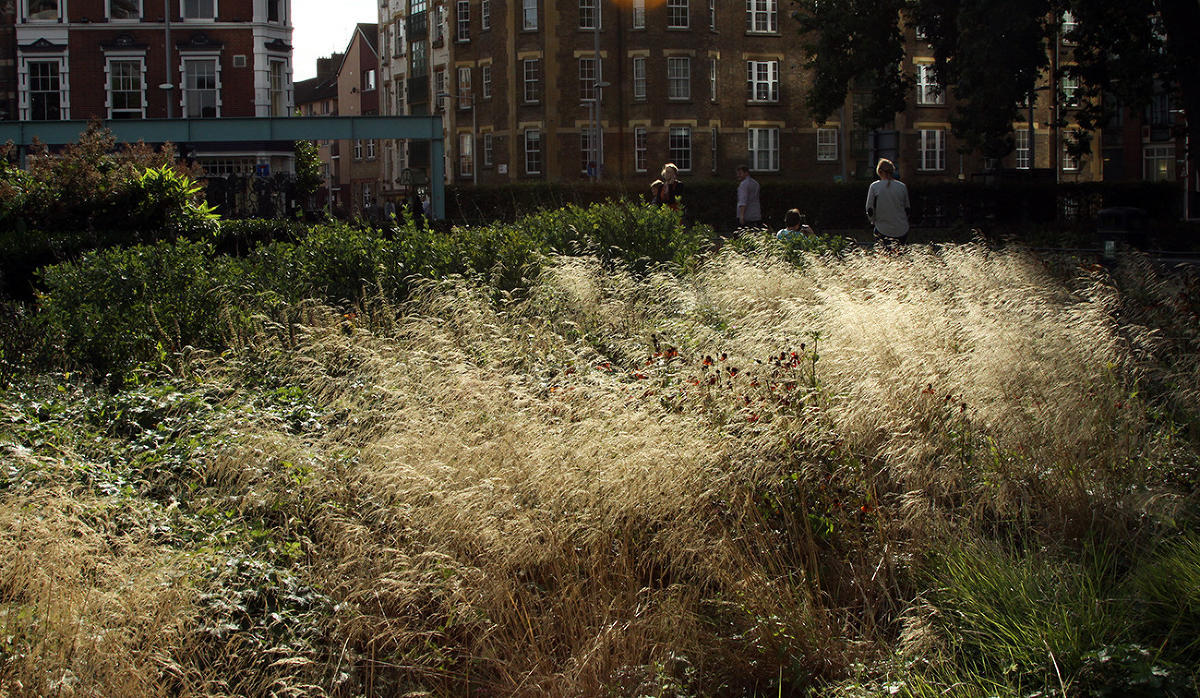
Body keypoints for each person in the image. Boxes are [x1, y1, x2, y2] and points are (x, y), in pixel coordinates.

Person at [865, 158, 910, 246]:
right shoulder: (902, 186)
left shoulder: (874, 186)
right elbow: (907, 208)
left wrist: (873, 221)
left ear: (879, 171)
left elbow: (869, 208)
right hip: (902, 228)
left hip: (882, 228)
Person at [735, 165, 762, 229]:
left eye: (740, 173)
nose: (738, 175)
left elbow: (743, 201)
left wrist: (741, 216)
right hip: (756, 214)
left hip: (746, 216)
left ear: (746, 173)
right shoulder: (755, 183)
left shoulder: (743, 184)